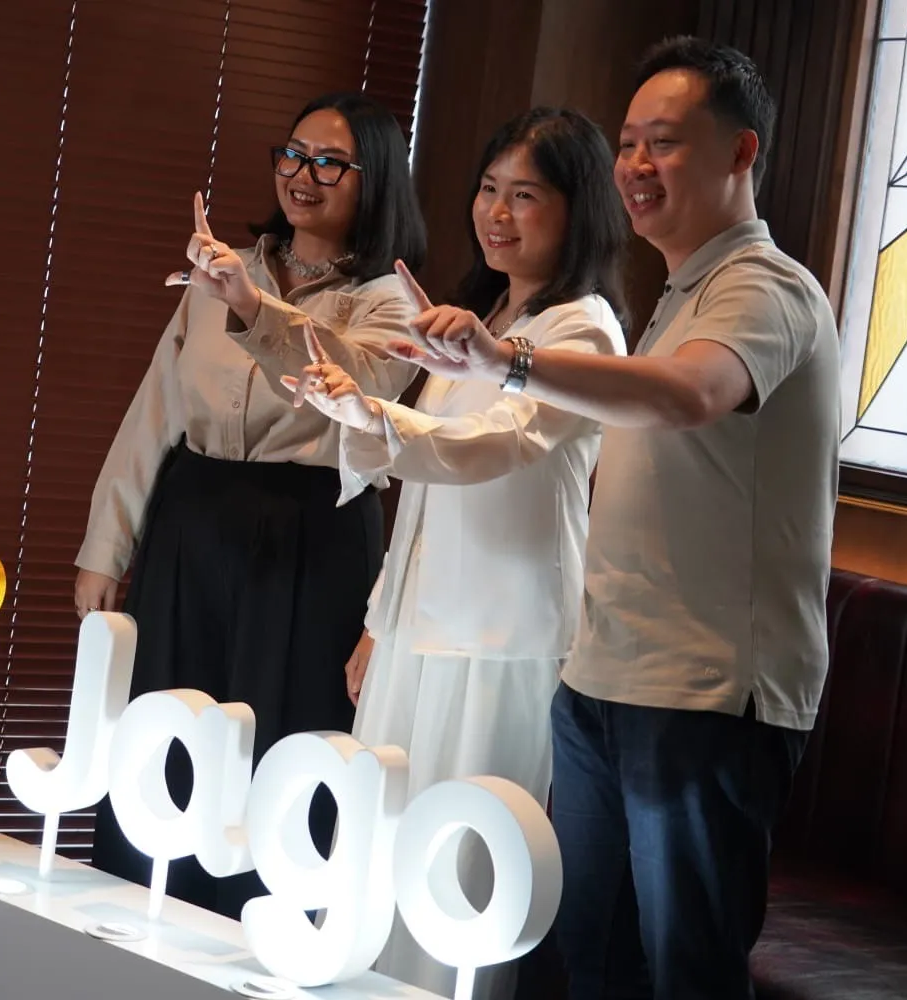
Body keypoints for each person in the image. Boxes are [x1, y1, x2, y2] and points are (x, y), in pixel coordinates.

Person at [389, 38, 840, 1000]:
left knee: (684, 973)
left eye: (663, 142)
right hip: (602, 678)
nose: (635, 164)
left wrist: (507, 362)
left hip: (705, 692)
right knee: (589, 964)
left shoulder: (766, 285)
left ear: (741, 153)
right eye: (628, 142)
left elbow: (691, 395)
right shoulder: (676, 295)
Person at [285, 106, 628, 1000]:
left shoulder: (582, 330)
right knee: (375, 862)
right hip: (415, 630)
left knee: (455, 881)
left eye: (526, 195)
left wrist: (375, 416)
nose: (496, 213)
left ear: (578, 208)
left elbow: (494, 447)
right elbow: (426, 496)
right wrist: (378, 620)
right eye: (487, 189)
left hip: (500, 641)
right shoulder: (481, 315)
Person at [74, 92, 426, 920]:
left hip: (314, 528)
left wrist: (250, 307)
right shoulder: (223, 269)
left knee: (280, 740)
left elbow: (354, 387)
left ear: (374, 179)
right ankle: (134, 925)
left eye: (330, 163)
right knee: (165, 723)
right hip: (195, 514)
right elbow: (156, 408)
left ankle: (256, 934)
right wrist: (105, 545)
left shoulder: (394, 302)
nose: (303, 175)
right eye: (293, 155)